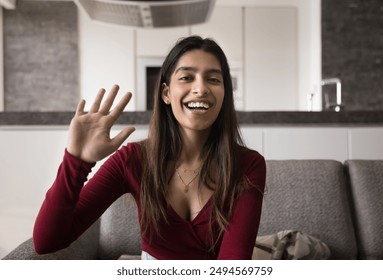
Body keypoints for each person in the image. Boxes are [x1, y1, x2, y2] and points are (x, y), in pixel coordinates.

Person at [33, 35, 266, 260]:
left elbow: (232, 265)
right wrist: (76, 161)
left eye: (213, 79)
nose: (201, 88)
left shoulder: (248, 165)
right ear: (166, 93)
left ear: (225, 94)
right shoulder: (132, 160)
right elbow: (48, 242)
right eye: (186, 77)